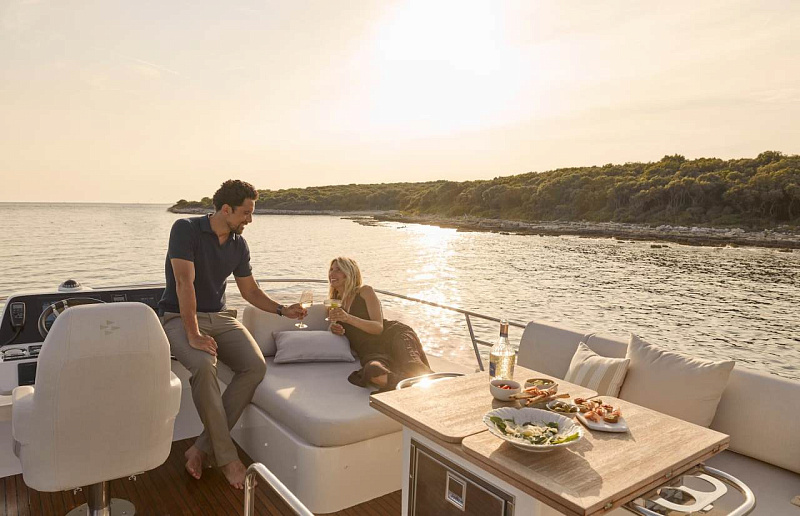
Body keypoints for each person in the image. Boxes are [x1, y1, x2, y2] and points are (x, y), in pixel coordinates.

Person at [157, 179, 305, 489]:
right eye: (246, 213)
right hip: (180, 317)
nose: (250, 219)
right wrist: (193, 333)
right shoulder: (185, 229)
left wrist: (282, 310)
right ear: (226, 209)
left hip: (221, 317)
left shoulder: (239, 245)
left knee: (255, 367)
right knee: (202, 365)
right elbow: (184, 283)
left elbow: (250, 291)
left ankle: (201, 447)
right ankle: (227, 459)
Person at [326, 257, 434, 391]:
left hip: (394, 335)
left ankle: (437, 390)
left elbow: (378, 328)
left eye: (338, 269)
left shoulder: (365, 291)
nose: (332, 273)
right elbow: (342, 328)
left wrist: (348, 318)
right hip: (370, 350)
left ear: (349, 273)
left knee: (412, 365)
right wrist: (336, 329)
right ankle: (410, 386)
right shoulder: (333, 303)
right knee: (373, 371)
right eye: (331, 269)